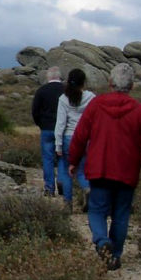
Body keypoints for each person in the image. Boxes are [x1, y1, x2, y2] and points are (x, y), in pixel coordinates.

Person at [68, 62, 141, 271]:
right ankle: (114, 255)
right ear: (132, 86)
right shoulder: (140, 112)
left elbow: (80, 135)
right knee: (121, 214)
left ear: (110, 83)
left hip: (99, 169)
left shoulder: (96, 105)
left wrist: (73, 161)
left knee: (97, 210)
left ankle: (102, 242)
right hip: (126, 172)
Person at [55, 68, 95, 211]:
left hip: (68, 137)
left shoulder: (63, 99)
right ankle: (87, 188)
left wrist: (58, 145)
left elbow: (60, 123)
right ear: (83, 82)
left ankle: (67, 204)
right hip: (86, 137)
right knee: (83, 170)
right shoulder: (91, 97)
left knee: (67, 172)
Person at [31, 66, 66, 198]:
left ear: (48, 77)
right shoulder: (66, 90)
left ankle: (49, 188)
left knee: (48, 158)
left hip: (46, 128)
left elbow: (35, 110)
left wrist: (40, 124)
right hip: (63, 129)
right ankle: (62, 182)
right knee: (63, 157)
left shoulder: (41, 91)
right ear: (59, 76)